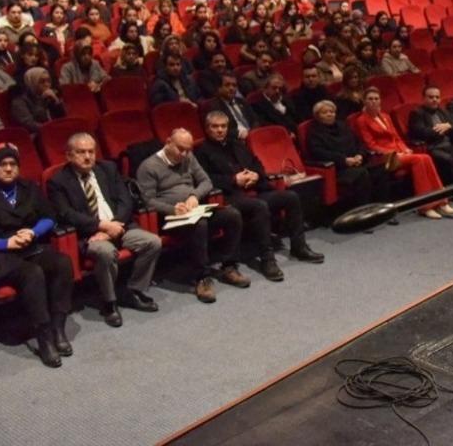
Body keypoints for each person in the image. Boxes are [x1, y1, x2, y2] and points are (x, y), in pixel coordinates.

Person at [0, 143, 75, 368]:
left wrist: (33, 232)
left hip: (30, 248)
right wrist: (6, 242)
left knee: (62, 262)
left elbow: (50, 217)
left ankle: (58, 328)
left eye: (13, 164)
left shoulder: (29, 188)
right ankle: (44, 337)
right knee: (32, 273)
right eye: (3, 165)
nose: (9, 169)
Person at [47, 133, 162, 327]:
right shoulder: (58, 182)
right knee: (105, 252)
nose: (87, 156)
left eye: (91, 151)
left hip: (119, 226)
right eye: (81, 152)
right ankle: (110, 302)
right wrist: (101, 226)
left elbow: (125, 200)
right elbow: (66, 214)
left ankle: (133, 290)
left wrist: (114, 225)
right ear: (68, 156)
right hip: (90, 235)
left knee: (153, 242)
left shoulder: (107, 169)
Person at [194, 111, 324, 282]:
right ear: (207, 128)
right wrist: (234, 180)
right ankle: (267, 259)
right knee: (259, 206)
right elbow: (206, 179)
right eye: (215, 126)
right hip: (229, 196)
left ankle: (299, 247)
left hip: (255, 189)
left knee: (290, 196)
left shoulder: (238, 144)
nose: (219, 130)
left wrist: (255, 175)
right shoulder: (201, 151)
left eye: (223, 126)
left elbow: (258, 165)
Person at [135, 128, 249, 303]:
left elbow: (206, 182)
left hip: (194, 210)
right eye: (180, 149)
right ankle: (201, 277)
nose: (184, 154)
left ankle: (229, 267)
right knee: (200, 224)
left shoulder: (188, 157)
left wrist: (194, 196)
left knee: (232, 214)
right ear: (168, 143)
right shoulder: (148, 167)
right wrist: (172, 209)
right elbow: (147, 201)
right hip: (169, 217)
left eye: (188, 149)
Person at [352, 87, 453, 220]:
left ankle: (441, 201)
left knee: (426, 158)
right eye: (370, 99)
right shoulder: (361, 120)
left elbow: (396, 137)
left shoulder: (385, 116)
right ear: (364, 101)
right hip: (384, 158)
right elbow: (370, 145)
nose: (374, 101)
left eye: (376, 99)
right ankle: (426, 206)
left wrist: (405, 149)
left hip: (399, 153)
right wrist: (395, 153)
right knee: (420, 159)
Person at [304, 100, 391, 211]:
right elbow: (318, 152)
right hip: (337, 169)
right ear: (317, 116)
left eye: (332, 111)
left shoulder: (342, 126)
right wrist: (344, 160)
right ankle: (364, 212)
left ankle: (384, 208)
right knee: (361, 174)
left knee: (381, 168)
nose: (330, 114)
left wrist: (360, 155)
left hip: (356, 162)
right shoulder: (314, 132)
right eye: (325, 112)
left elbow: (359, 143)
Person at [407, 85, 453, 202]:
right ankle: (452, 192)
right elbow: (420, 132)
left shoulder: (442, 111)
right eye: (431, 97)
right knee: (447, 159)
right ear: (423, 98)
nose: (434, 100)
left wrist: (449, 126)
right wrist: (442, 129)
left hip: (450, 145)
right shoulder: (417, 113)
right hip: (433, 148)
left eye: (437, 97)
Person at [204, 72, 258, 141]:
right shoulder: (214, 106)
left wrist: (253, 132)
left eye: (234, 85)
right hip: (235, 140)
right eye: (227, 85)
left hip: (252, 136)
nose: (231, 88)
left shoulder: (242, 101)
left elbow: (254, 120)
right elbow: (217, 130)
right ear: (219, 88)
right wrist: (239, 134)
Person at [10, 67, 65, 135]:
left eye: (48, 81)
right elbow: (30, 124)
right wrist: (51, 129)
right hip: (35, 135)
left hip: (52, 130)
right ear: (32, 82)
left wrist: (56, 101)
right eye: (42, 82)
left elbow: (62, 117)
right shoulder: (19, 101)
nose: (46, 84)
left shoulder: (49, 95)